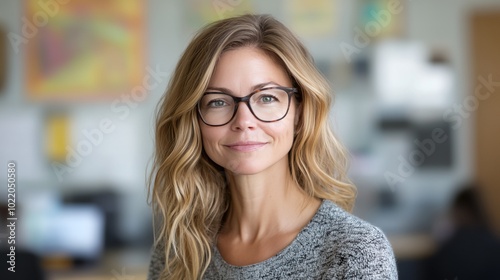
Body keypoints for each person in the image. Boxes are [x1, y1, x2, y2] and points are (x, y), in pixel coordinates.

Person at [147, 14, 397, 279]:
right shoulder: (178, 250)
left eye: (266, 97)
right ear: (194, 120)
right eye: (218, 102)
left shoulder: (355, 251)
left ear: (299, 113)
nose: (244, 121)